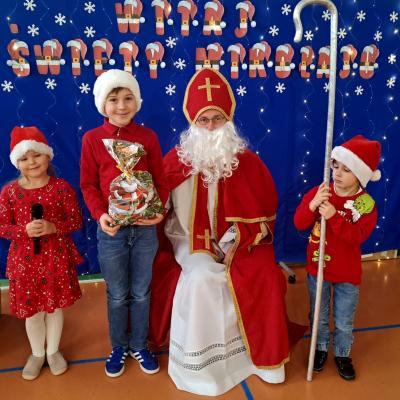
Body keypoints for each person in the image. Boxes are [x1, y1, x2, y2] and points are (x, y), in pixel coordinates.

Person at [149, 68, 294, 396]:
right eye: (204, 120)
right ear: (192, 122)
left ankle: (263, 361)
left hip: (239, 243)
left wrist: (239, 241)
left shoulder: (247, 162)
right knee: (201, 278)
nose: (211, 126)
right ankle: (204, 370)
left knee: (264, 275)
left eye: (217, 118)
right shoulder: (175, 162)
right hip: (189, 240)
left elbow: (264, 216)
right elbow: (159, 208)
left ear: (228, 119)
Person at [80, 69, 169, 378]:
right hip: (112, 230)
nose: (121, 106)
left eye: (128, 98)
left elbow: (160, 180)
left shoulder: (148, 138)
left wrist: (160, 210)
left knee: (141, 291)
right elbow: (88, 184)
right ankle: (118, 345)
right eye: (114, 99)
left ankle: (139, 344)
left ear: (137, 101)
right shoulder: (92, 140)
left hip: (145, 229)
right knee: (117, 293)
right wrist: (100, 214)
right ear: (103, 104)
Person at [293, 135, 381, 380]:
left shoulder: (365, 204)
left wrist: (333, 217)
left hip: (347, 273)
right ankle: (320, 349)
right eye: (336, 166)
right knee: (319, 316)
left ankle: (342, 354)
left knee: (343, 319)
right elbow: (299, 223)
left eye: (346, 169)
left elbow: (356, 237)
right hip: (318, 268)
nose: (338, 173)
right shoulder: (321, 191)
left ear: (360, 175)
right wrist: (312, 205)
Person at [0, 126, 83, 380]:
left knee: (53, 308)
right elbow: (2, 226)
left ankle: (53, 351)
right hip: (24, 263)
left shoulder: (62, 188)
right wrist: (23, 230)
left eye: (37, 155)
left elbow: (76, 220)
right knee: (33, 312)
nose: (32, 162)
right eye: (25, 158)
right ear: (17, 162)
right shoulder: (10, 192)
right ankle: (37, 353)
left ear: (47, 156)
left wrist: (53, 227)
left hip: (55, 259)